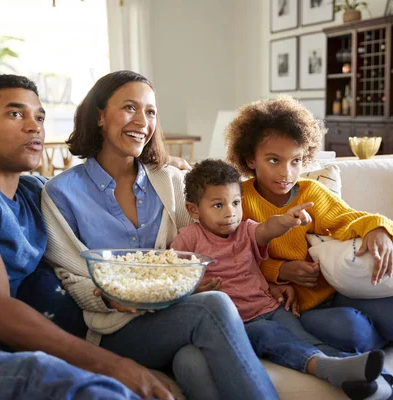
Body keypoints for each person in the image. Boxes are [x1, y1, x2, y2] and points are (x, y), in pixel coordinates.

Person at [0, 74, 176, 400]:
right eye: (16, 114)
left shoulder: (37, 194)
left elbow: (91, 193)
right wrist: (113, 365)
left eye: (39, 117)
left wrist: (165, 171)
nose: (34, 127)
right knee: (62, 382)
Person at [42, 70, 280, 400]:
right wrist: (109, 295)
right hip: (114, 328)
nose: (142, 121)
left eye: (150, 111)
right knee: (214, 306)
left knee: (191, 362)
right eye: (129, 107)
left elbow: (215, 239)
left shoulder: (170, 182)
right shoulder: (61, 193)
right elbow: (71, 275)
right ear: (99, 115)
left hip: (176, 315)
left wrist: (274, 276)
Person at [170, 159, 393, 400]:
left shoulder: (245, 229)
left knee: (306, 340)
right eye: (218, 205)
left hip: (272, 308)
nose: (230, 212)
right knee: (270, 335)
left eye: (236, 203)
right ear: (194, 210)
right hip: (239, 323)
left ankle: (372, 378)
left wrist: (287, 221)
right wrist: (193, 288)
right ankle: (331, 370)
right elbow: (172, 278)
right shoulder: (189, 240)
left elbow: (267, 228)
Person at [224, 95, 393, 354]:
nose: (286, 173)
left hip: (339, 289)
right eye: (274, 160)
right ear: (250, 159)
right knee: (356, 333)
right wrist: (281, 271)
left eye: (296, 161)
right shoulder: (238, 200)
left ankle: (380, 331)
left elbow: (349, 220)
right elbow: (233, 259)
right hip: (300, 307)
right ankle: (373, 338)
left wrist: (378, 228)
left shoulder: (311, 192)